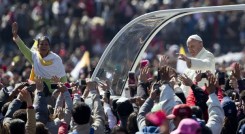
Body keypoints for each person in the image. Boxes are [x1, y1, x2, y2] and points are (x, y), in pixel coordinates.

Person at [12, 22, 67, 93]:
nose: (44, 46)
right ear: (38, 47)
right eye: (41, 44)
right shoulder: (34, 56)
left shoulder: (56, 59)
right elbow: (24, 49)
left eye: (46, 44)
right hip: (38, 92)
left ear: (49, 47)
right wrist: (16, 36)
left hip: (53, 93)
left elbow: (63, 77)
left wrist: (63, 88)